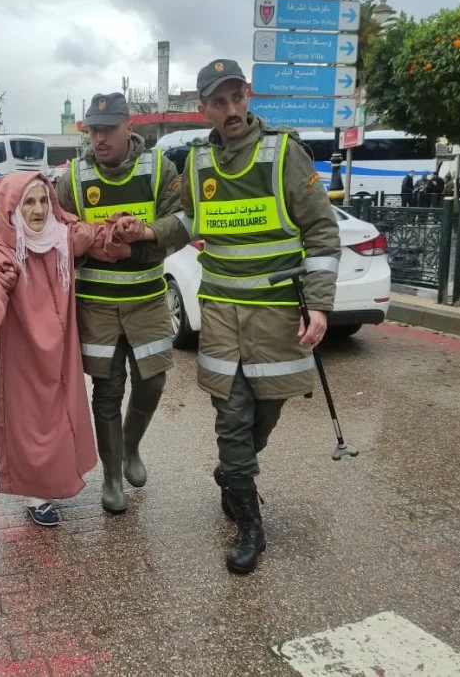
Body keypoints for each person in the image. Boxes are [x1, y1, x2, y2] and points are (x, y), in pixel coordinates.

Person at [178, 61, 340, 575]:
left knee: (265, 412)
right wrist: (141, 234)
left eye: (236, 97)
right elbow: (186, 219)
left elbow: (321, 231)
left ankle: (233, 472)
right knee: (231, 416)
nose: (230, 109)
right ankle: (250, 525)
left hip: (276, 313)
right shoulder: (197, 161)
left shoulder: (285, 152)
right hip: (221, 312)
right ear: (203, 108)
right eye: (218, 102)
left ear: (247, 96)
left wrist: (320, 304)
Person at [0, 172, 131, 526]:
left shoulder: (62, 235)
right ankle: (35, 492)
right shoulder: (0, 247)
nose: (38, 209)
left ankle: (55, 481)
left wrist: (120, 230)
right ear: (12, 207)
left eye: (43, 200)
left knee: (59, 414)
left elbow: (95, 236)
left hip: (62, 349)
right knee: (30, 420)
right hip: (24, 353)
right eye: (28, 202)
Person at [54, 92, 188, 514]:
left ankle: (130, 446)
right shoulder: (73, 178)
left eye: (108, 129)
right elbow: (55, 235)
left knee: (153, 382)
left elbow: (183, 223)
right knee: (107, 392)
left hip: (147, 301)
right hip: (96, 307)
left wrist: (141, 238)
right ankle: (112, 476)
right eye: (93, 130)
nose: (99, 138)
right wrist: (81, 242)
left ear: (129, 126)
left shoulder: (160, 168)